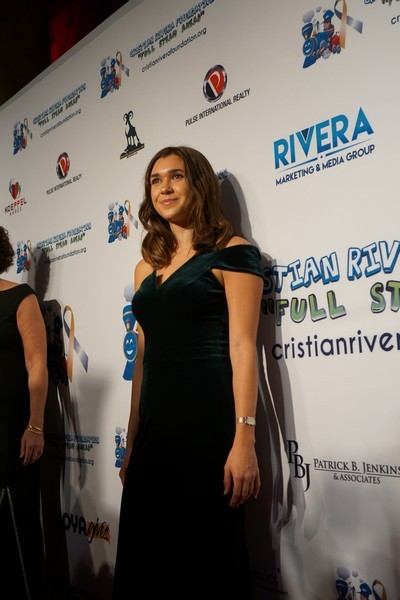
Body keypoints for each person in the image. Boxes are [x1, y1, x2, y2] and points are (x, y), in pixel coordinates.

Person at [112, 146, 264, 599]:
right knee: (148, 560)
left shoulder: (233, 253)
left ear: (198, 183)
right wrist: (132, 439)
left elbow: (243, 348)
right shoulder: (145, 267)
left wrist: (244, 439)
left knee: (207, 558)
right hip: (154, 430)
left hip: (208, 426)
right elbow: (142, 359)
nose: (164, 188)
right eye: (155, 180)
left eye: (176, 176)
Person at [0, 226, 48, 599]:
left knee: (18, 528)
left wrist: (35, 426)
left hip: (11, 429)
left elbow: (36, 365)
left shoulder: (21, 297)